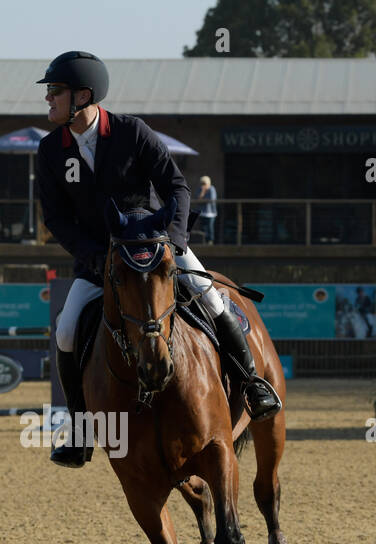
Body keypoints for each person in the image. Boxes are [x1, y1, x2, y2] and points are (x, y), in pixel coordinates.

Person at [35, 51, 280, 467]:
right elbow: (57, 218)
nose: (49, 100)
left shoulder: (132, 132)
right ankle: (78, 433)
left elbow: (178, 188)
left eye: (55, 92)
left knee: (211, 297)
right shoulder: (50, 150)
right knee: (66, 330)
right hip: (101, 260)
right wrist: (93, 257)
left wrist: (177, 242)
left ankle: (252, 384)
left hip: (154, 249)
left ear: (84, 95)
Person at [196, 175, 218, 244]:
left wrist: (203, 200)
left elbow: (211, 199)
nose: (203, 185)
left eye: (204, 183)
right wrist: (203, 192)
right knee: (203, 228)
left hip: (211, 213)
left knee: (210, 228)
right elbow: (198, 199)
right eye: (202, 183)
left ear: (208, 183)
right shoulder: (200, 189)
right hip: (202, 213)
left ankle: (210, 241)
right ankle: (203, 241)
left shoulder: (212, 189)